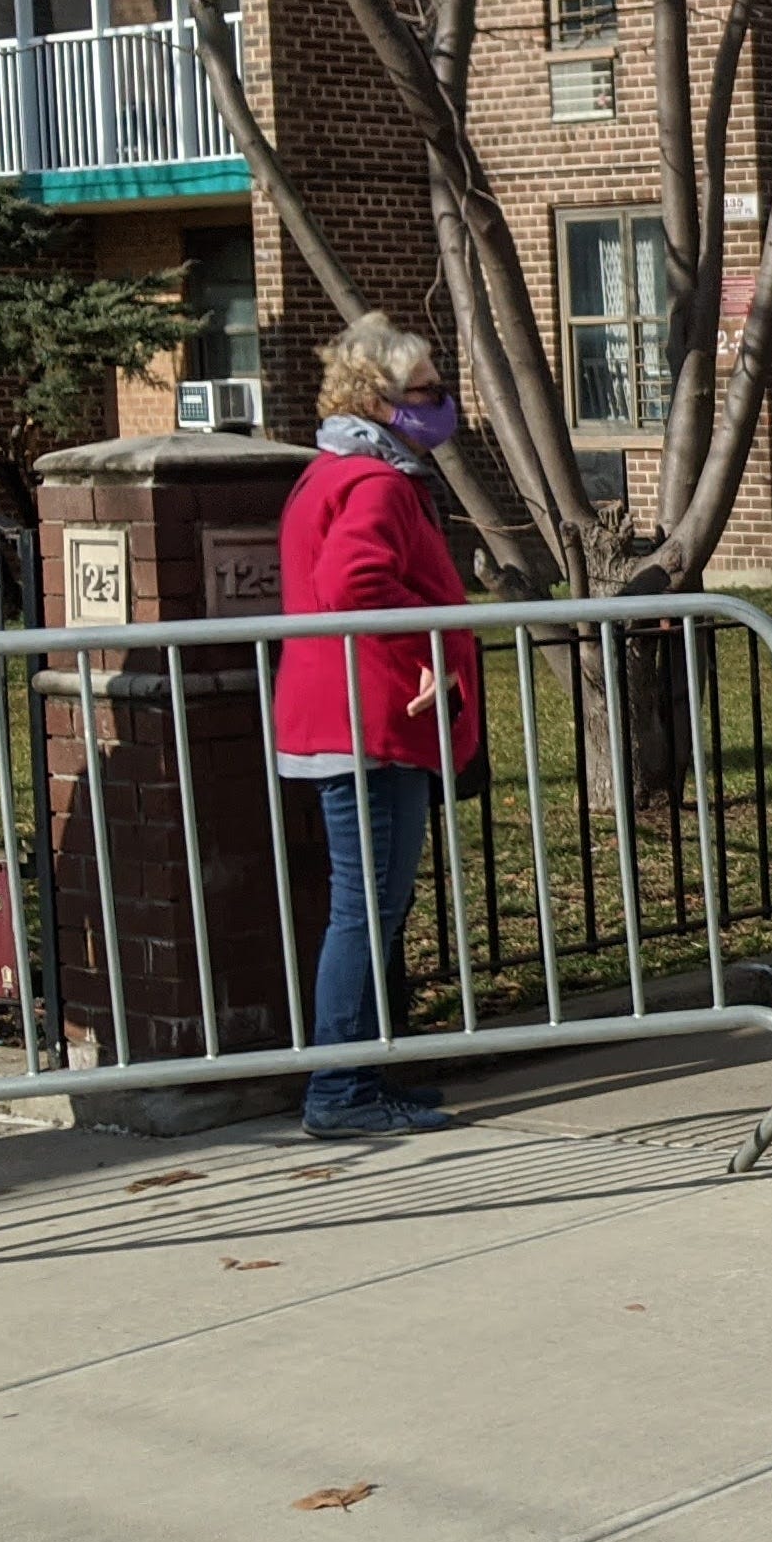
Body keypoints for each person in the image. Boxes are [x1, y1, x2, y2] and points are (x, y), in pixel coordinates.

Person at [272, 313, 482, 1139]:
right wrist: (430, 636)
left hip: (346, 715)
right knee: (366, 909)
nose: (443, 404)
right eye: (427, 391)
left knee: (366, 908)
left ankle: (357, 1075)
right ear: (382, 401)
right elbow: (355, 587)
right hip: (371, 720)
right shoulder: (377, 483)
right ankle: (341, 1089)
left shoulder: (332, 473)